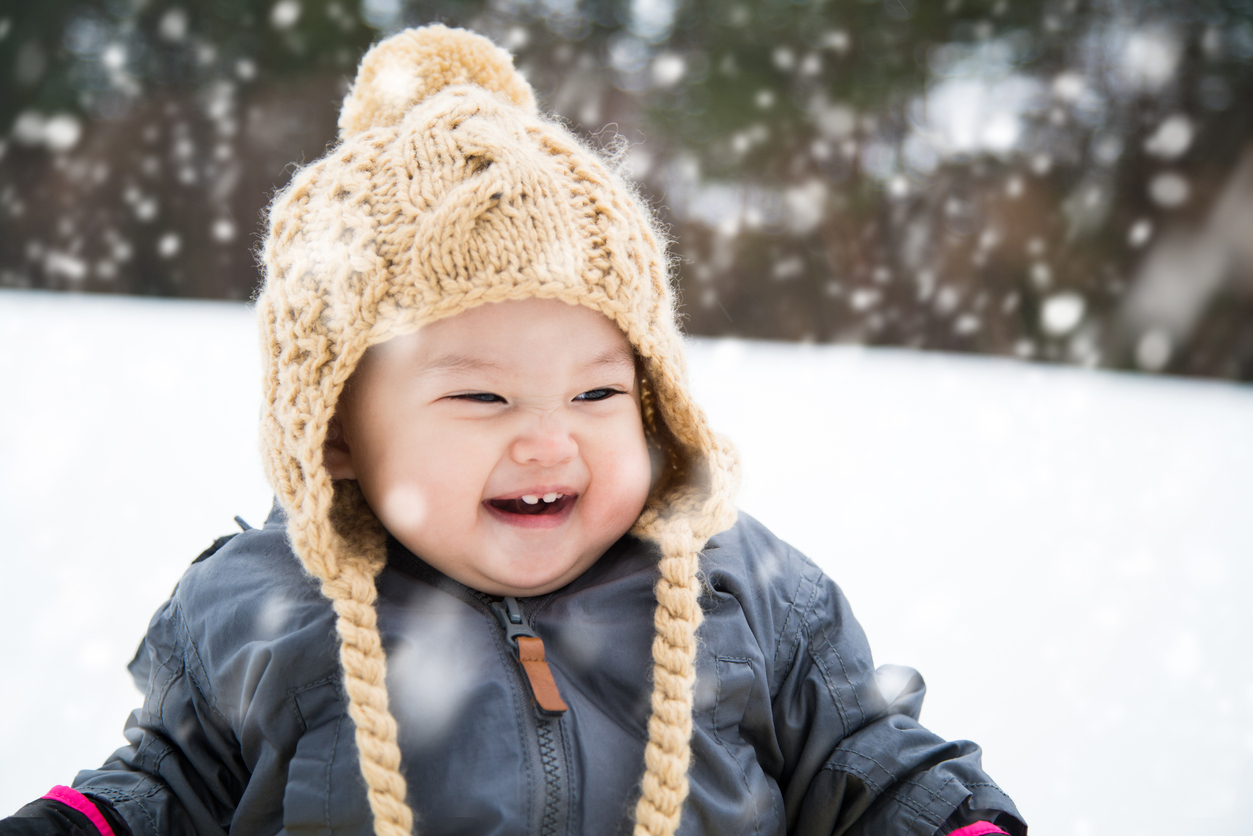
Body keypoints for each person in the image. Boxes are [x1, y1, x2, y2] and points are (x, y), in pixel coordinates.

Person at [1, 25, 1026, 836]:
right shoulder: (262, 606)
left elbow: (868, 757)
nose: (550, 442)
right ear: (337, 434)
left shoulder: (739, 588)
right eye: (482, 399)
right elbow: (167, 783)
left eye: (597, 395)